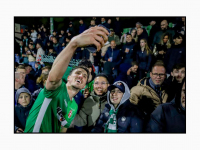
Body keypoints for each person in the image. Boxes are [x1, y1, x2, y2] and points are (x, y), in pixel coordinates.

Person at [24, 26, 109, 133]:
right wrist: (73, 44)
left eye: (85, 76)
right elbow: (54, 75)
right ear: (68, 77)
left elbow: (63, 129)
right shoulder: (56, 89)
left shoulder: (74, 106)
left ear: (84, 86)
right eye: (78, 73)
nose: (81, 76)